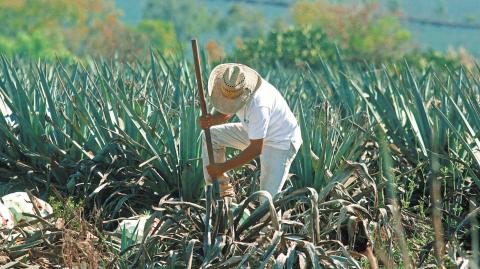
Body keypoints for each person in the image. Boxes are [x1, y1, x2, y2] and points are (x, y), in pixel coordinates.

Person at [199, 63, 302, 199]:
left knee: (266, 201)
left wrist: (222, 167)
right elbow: (228, 109)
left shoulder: (259, 105)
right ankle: (223, 192)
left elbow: (256, 148)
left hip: (280, 142)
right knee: (210, 136)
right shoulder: (234, 86)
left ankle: (271, 220)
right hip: (254, 132)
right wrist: (211, 120)